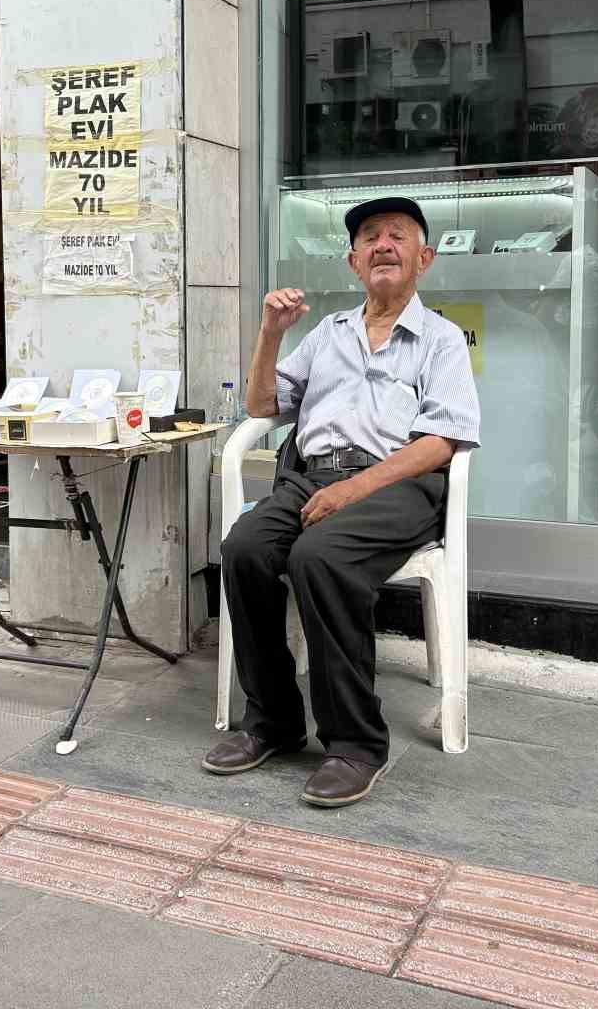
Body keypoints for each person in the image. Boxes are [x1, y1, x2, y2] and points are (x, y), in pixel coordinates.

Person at [207, 195, 480, 808]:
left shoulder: (440, 340)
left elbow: (443, 438)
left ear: (424, 258)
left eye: (398, 236)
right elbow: (261, 407)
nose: (383, 244)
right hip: (312, 479)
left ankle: (355, 743)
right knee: (244, 549)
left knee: (319, 558)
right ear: (353, 262)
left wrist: (353, 489)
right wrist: (270, 333)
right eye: (370, 238)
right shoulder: (327, 334)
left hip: (397, 485)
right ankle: (273, 722)